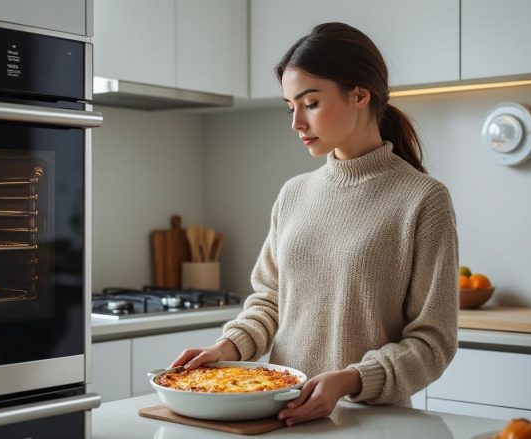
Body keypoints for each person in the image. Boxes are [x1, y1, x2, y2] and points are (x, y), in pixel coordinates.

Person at [171, 22, 459, 426]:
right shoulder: (294, 193)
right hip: (282, 417)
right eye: (291, 107)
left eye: (310, 103)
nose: (296, 123)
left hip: (375, 425)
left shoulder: (423, 200)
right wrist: (228, 347)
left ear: (360, 94)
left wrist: (350, 380)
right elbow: (270, 300)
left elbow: (433, 343)